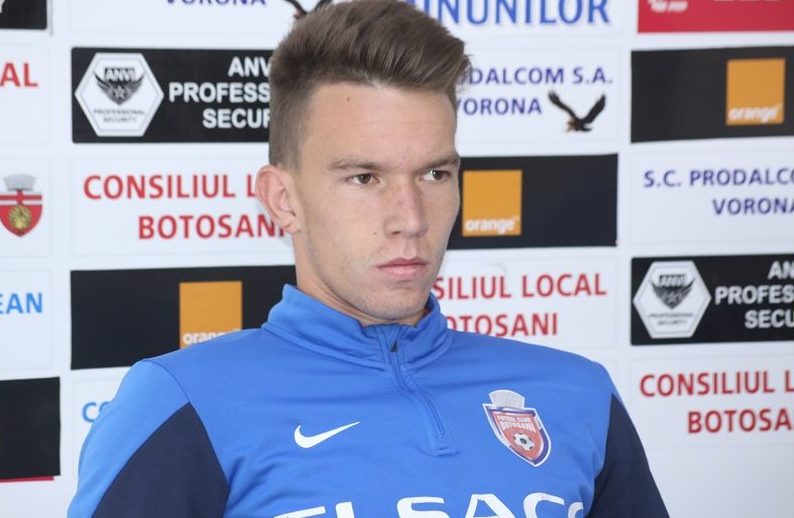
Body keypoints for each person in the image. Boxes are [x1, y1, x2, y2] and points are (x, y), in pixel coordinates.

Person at [69, 1, 668, 516]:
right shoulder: (184, 404)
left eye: (435, 174)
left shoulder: (578, 394)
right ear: (283, 200)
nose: (410, 217)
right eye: (364, 177)